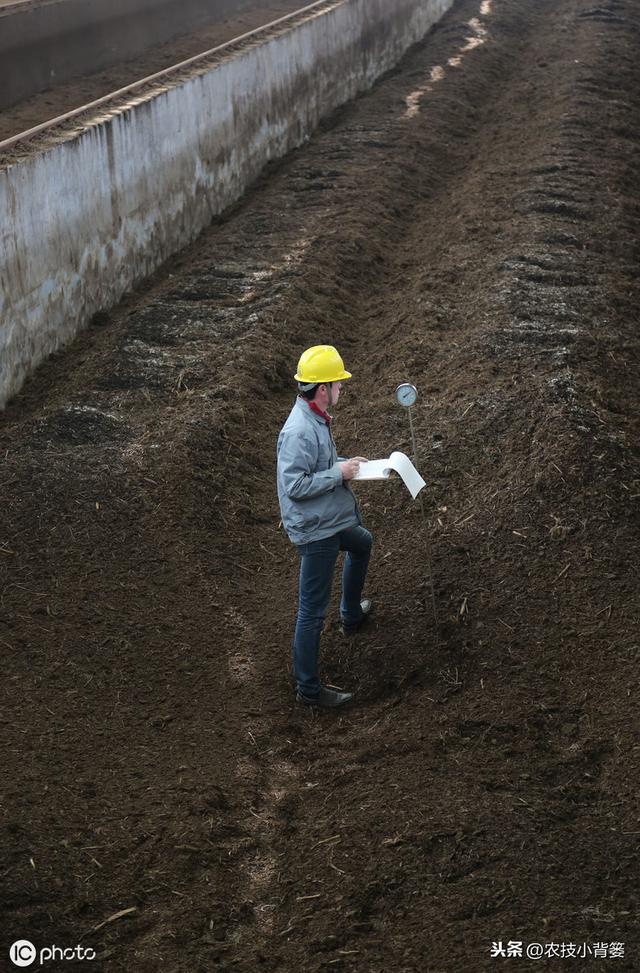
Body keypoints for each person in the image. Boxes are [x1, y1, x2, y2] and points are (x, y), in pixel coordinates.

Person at [276, 345, 373, 708]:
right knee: (312, 611)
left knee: (362, 543)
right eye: (338, 383)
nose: (341, 389)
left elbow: (318, 466)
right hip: (315, 528)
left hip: (328, 516)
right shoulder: (300, 430)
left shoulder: (316, 417)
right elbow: (295, 486)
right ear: (322, 390)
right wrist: (338, 474)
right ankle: (309, 690)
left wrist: (347, 463)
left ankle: (350, 615)